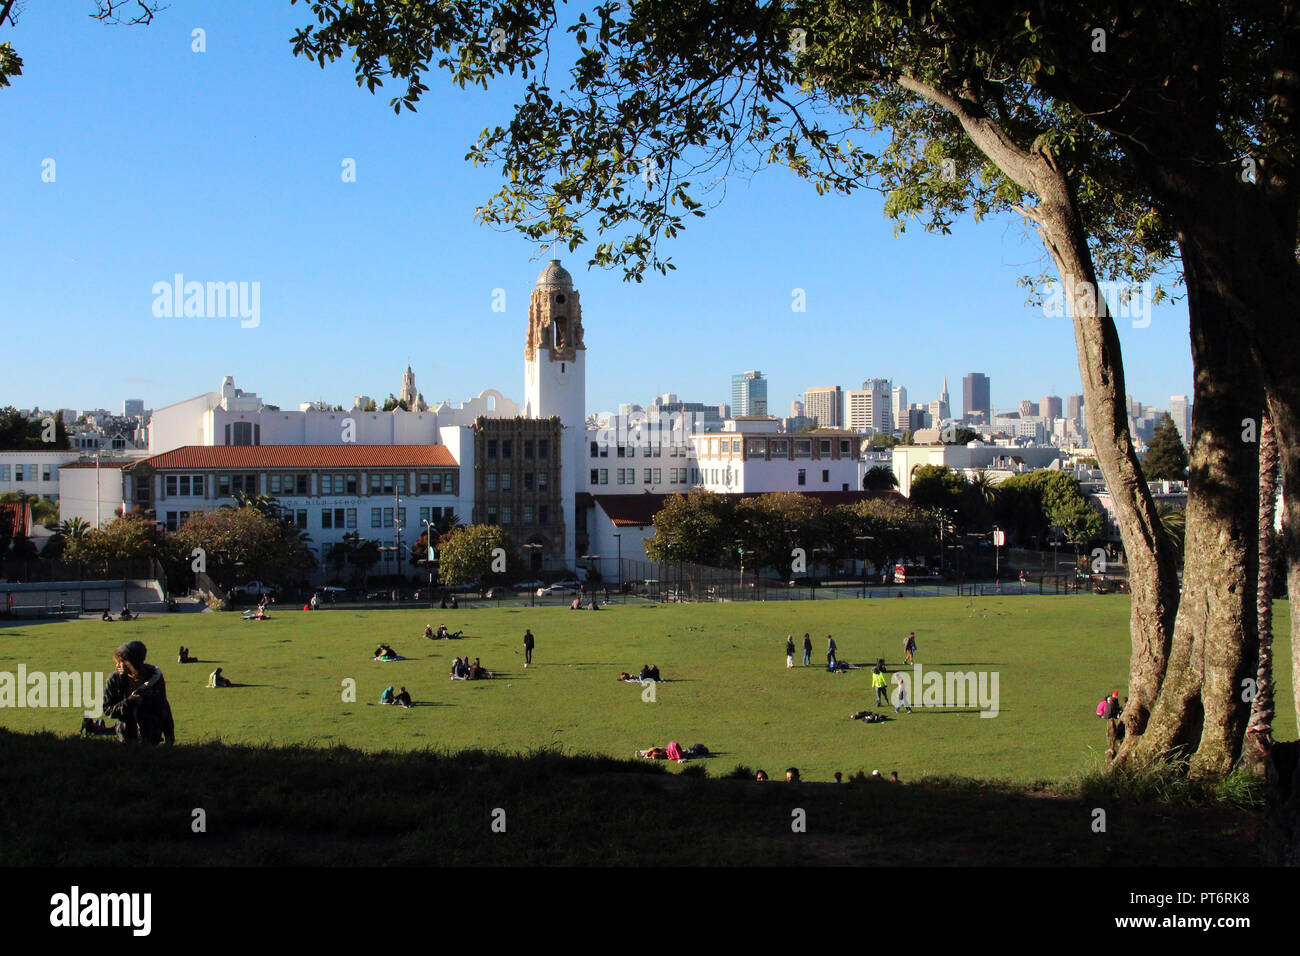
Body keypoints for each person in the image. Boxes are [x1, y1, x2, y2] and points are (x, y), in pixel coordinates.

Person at [102, 641, 174, 745]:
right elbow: (108, 709)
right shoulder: (114, 680)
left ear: (132, 663)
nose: (117, 665)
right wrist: (128, 702)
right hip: (126, 739)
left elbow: (163, 707)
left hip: (152, 738)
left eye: (121, 662)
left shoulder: (154, 678)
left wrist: (169, 734)